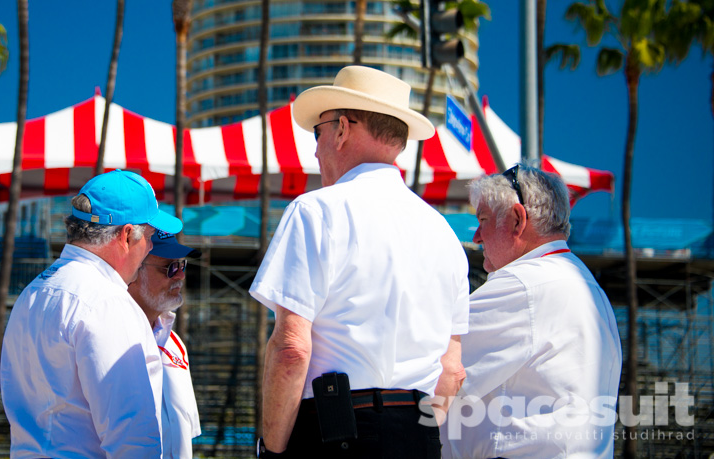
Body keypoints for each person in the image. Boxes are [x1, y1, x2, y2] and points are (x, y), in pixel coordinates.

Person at [249, 66, 471, 458]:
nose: (315, 149)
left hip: (334, 431)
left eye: (317, 133)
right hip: (419, 434)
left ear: (342, 129)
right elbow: (452, 371)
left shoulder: (315, 211)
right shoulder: (445, 235)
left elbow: (292, 348)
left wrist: (273, 449)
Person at [0, 169, 183, 459]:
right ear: (125, 235)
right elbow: (132, 439)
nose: (150, 247)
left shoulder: (33, 293)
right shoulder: (107, 303)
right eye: (148, 236)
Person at [443, 164, 621, 458]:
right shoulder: (588, 288)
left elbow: (435, 371)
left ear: (516, 219)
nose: (477, 236)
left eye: (483, 220)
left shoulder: (524, 284)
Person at [128, 230, 203, 458]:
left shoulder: (174, 344)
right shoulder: (110, 336)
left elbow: (183, 437)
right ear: (133, 271)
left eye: (182, 265)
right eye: (169, 267)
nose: (180, 276)